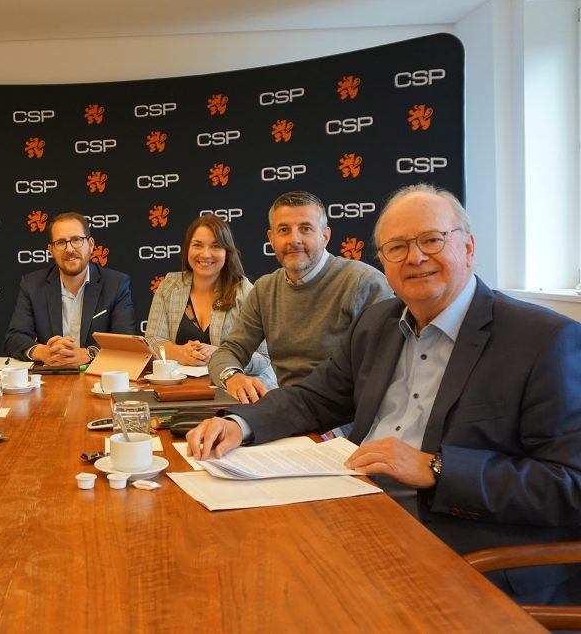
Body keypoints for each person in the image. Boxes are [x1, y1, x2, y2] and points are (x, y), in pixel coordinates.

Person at [188, 185, 581, 604]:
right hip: (358, 509)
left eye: (432, 240)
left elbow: (570, 485)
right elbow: (314, 398)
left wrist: (438, 468)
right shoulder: (379, 323)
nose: (414, 258)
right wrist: (239, 423)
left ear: (468, 246)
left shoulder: (544, 340)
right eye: (396, 247)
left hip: (465, 552)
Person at [210, 191, 392, 402]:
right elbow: (229, 350)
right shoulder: (264, 289)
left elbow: (385, 373)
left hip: (347, 420)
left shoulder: (364, 283)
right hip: (290, 411)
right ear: (272, 238)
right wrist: (232, 377)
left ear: (325, 236)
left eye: (305, 229)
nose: (294, 240)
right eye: (284, 230)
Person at [144, 214, 275, 387]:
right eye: (197, 245)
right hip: (181, 389)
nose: (205, 254)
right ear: (187, 249)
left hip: (234, 391)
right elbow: (152, 339)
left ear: (227, 253)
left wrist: (221, 355)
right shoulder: (169, 285)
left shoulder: (245, 291)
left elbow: (264, 358)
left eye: (215, 246)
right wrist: (180, 352)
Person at [5, 211, 137, 366]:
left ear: (91, 244)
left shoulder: (116, 284)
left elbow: (126, 340)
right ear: (51, 250)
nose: (69, 249)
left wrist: (88, 353)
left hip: (97, 379)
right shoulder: (32, 284)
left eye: (76, 240)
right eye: (61, 242)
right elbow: (14, 338)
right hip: (49, 379)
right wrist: (43, 352)